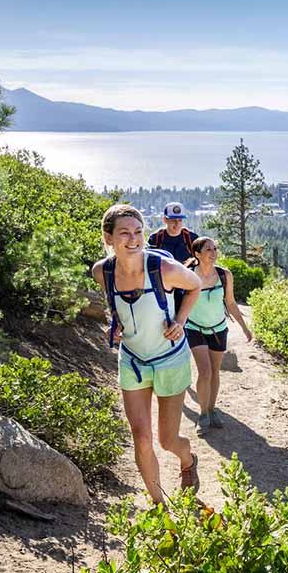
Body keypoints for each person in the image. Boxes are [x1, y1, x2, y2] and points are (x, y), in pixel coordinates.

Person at [92, 204, 201, 503]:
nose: (133, 239)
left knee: (168, 441)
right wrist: (114, 325)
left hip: (170, 360)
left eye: (138, 232)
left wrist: (180, 321)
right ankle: (158, 506)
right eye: (124, 233)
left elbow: (195, 285)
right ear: (108, 237)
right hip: (132, 361)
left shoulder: (163, 268)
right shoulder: (102, 271)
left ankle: (188, 458)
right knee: (141, 437)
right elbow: (116, 306)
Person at [185, 237, 252, 436]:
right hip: (194, 328)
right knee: (204, 371)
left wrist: (244, 328)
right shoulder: (188, 276)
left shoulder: (224, 275)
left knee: (215, 372)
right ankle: (203, 414)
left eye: (215, 249)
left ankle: (212, 410)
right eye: (208, 249)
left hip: (218, 329)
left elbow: (230, 303)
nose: (213, 252)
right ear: (197, 254)